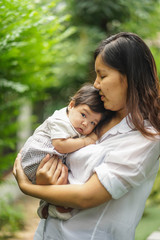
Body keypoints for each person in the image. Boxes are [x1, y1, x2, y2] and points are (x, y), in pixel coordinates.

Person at [13, 32, 160, 240]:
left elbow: (86, 196)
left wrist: (28, 187)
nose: (96, 84)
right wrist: (43, 179)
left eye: (103, 75)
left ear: (128, 76)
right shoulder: (93, 117)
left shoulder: (147, 137)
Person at [21, 83, 111, 220]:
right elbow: (60, 146)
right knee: (63, 174)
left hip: (45, 159)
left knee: (62, 173)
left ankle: (48, 205)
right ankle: (56, 205)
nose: (86, 123)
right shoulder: (60, 120)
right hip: (35, 158)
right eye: (83, 114)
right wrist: (86, 141)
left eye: (93, 123)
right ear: (71, 105)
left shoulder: (74, 123)